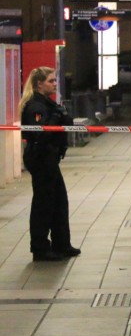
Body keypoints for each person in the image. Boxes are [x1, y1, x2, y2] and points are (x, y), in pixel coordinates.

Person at [18, 67, 81, 261]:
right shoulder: (35, 106)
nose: (55, 84)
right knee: (43, 203)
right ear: (39, 84)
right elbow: (41, 134)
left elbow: (67, 124)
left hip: (50, 157)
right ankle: (40, 248)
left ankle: (62, 243)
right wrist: (55, 118)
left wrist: (62, 114)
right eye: (51, 81)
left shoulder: (47, 103)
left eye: (54, 81)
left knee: (59, 201)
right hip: (41, 157)